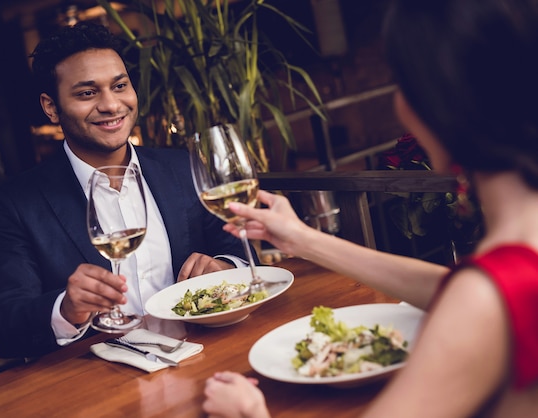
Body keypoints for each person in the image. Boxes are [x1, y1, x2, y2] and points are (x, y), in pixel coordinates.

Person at [203, 0, 538, 416]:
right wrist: (303, 239)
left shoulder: (487, 298)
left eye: (402, 81)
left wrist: (251, 411)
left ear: (438, 100)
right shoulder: (509, 265)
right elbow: (455, 290)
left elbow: (476, 299)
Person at [0, 22, 253, 359]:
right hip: (100, 380)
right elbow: (4, 330)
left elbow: (237, 246)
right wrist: (65, 309)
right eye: (87, 93)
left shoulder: (181, 167)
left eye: (120, 85)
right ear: (51, 107)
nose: (111, 105)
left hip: (206, 353)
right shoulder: (13, 204)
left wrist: (224, 267)